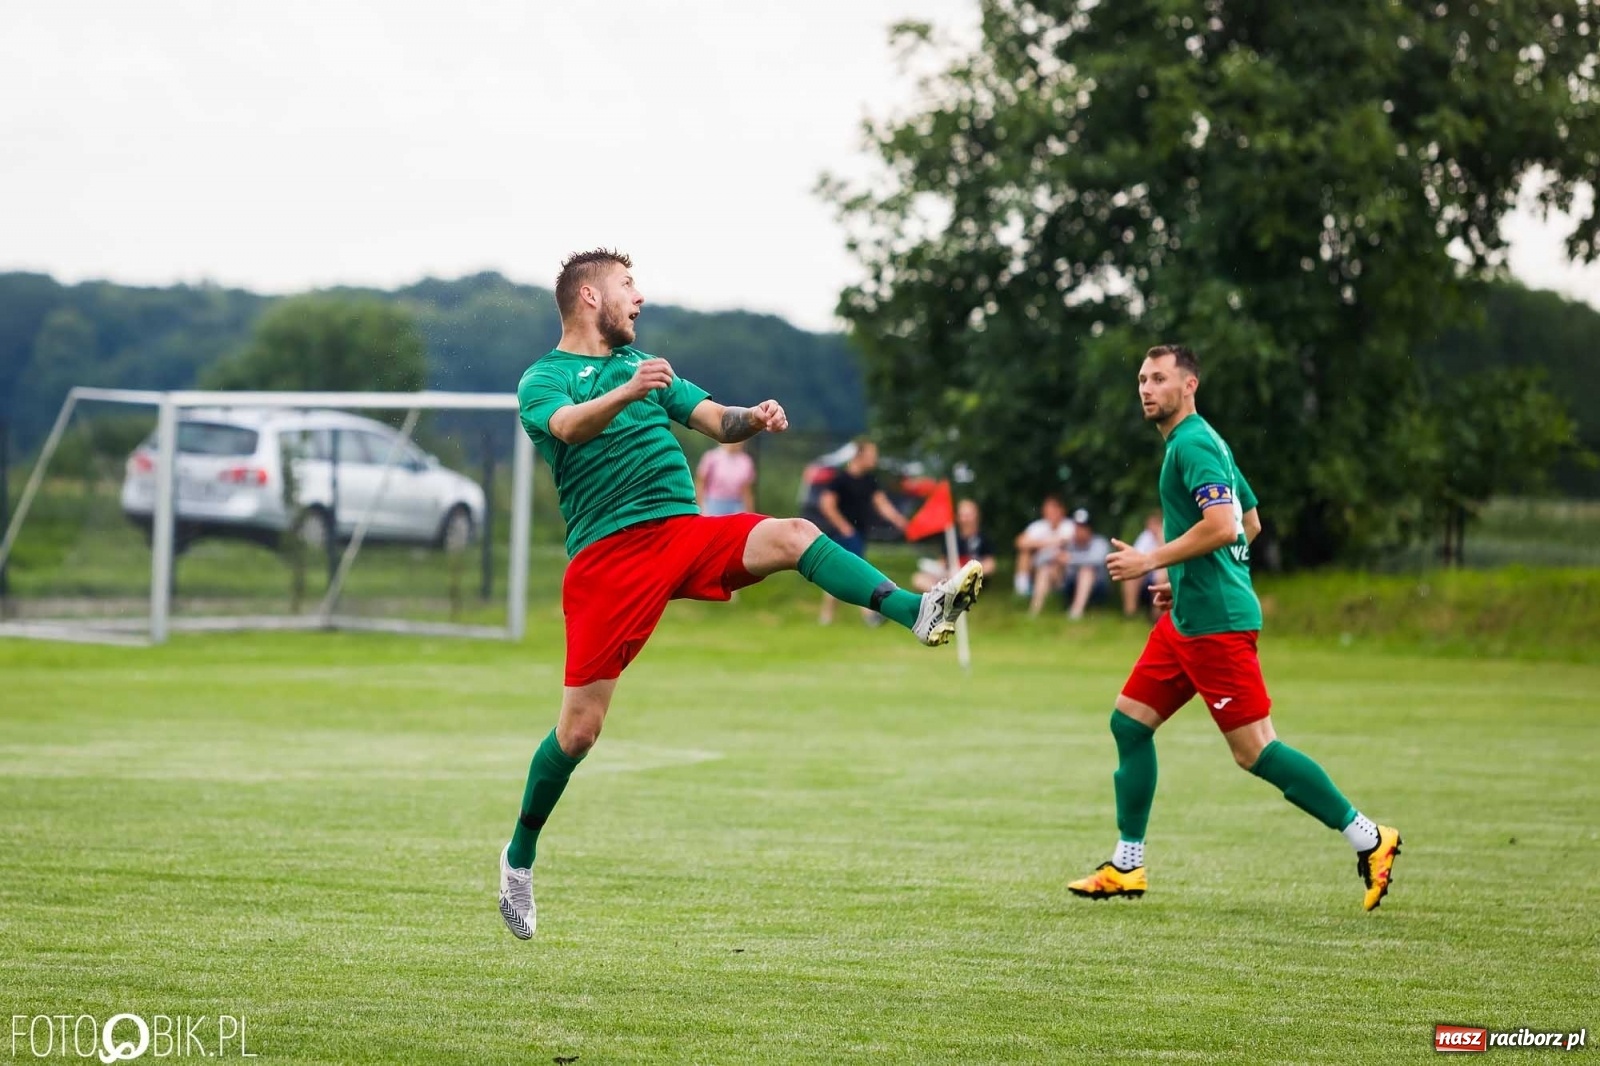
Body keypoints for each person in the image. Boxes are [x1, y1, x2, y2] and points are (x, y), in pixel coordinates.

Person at [502, 249, 985, 939]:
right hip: (608, 563)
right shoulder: (545, 380)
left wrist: (753, 418)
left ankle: (917, 611)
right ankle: (518, 860)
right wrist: (627, 392)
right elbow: (568, 429)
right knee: (579, 732)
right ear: (587, 297)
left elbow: (713, 418)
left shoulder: (650, 372)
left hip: (680, 532)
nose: (638, 298)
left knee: (792, 534)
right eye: (627, 286)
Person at [1070, 343, 1400, 911]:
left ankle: (1370, 838)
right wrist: (1191, 578)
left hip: (1216, 628)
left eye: (1159, 379)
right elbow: (1250, 520)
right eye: (1142, 380)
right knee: (1129, 724)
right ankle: (1127, 864)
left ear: (1189, 385)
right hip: (1188, 619)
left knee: (1255, 752)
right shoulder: (1204, 440)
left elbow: (1224, 527)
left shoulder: (1194, 443)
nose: (1147, 389)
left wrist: (1153, 562)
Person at [815, 438, 912, 625]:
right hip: (841, 535)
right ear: (860, 455)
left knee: (837, 573)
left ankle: (826, 617)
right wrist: (843, 526)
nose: (875, 459)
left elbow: (882, 504)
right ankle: (870, 615)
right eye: (872, 455)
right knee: (856, 570)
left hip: (858, 533)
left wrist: (900, 521)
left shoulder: (869, 481)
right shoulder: (841, 479)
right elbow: (826, 504)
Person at [911, 499, 998, 593]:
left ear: (976, 516)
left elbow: (990, 565)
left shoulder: (983, 539)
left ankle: (947, 594)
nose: (965, 519)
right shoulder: (951, 539)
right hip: (950, 577)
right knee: (918, 579)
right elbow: (943, 562)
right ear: (958, 517)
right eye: (962, 515)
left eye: (968, 515)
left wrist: (968, 573)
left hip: (971, 581)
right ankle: (946, 594)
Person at [1013, 495, 1075, 617]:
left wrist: (1039, 544)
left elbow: (1066, 544)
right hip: (1038, 565)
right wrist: (1046, 543)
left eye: (1053, 510)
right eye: (1047, 510)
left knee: (1049, 566)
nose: (1049, 514)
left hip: (1060, 568)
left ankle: (1035, 610)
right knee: (1024, 554)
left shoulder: (1069, 526)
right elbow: (1020, 542)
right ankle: (1022, 588)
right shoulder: (1039, 526)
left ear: (1061, 510)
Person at [1062, 509, 1112, 620]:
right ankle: (1035, 609)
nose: (1079, 531)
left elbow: (1097, 560)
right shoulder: (1068, 543)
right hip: (1069, 583)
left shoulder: (1100, 543)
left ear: (1089, 529)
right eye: (1077, 527)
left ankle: (1076, 611)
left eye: (1082, 527)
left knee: (1087, 571)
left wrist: (1070, 559)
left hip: (1097, 587)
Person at [1121, 511, 1166, 620]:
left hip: (1165, 570)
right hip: (1148, 571)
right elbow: (1137, 557)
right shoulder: (1145, 536)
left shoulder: (1167, 534)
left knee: (1160, 577)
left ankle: (1157, 615)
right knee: (1130, 576)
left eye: (1154, 524)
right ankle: (1130, 613)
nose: (1151, 527)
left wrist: (1160, 538)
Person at [695, 440, 756, 516]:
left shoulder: (745, 461)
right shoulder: (712, 457)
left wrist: (750, 513)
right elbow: (700, 483)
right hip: (714, 504)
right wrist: (701, 507)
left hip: (736, 505)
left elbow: (746, 491)